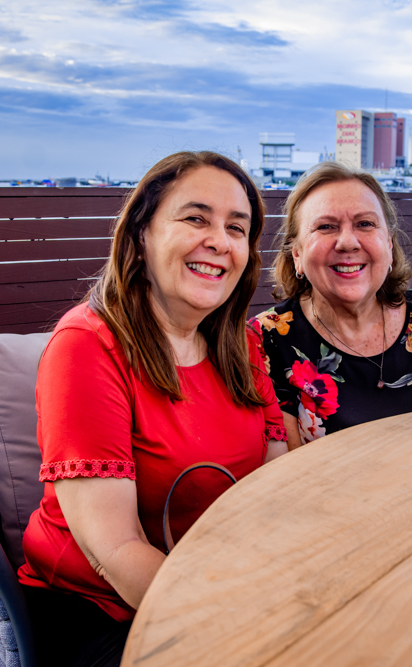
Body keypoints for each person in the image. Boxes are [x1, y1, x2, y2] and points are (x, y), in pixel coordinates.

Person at [18, 151, 288, 667]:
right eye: (195, 218)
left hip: (224, 581)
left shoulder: (241, 344)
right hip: (103, 612)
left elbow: (277, 483)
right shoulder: (87, 345)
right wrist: (241, 624)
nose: (219, 240)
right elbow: (115, 552)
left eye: (237, 228)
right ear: (141, 234)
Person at [252, 162, 412, 449]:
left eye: (365, 224)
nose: (348, 242)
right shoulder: (266, 340)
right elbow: (285, 469)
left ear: (388, 244)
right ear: (297, 254)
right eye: (326, 227)